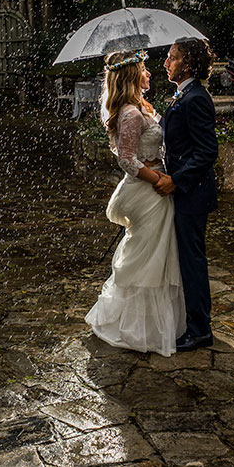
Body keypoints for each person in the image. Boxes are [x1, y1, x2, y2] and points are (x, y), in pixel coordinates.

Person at [85, 50, 185, 356]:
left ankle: (155, 325)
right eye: (143, 69)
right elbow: (127, 160)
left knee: (158, 255)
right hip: (147, 191)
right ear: (131, 76)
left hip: (155, 183)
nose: (149, 73)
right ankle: (137, 328)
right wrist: (158, 179)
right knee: (147, 259)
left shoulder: (140, 108)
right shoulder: (129, 113)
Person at [155, 38, 218, 352]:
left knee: (192, 261)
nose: (166, 63)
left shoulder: (196, 98)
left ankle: (200, 329)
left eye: (173, 58)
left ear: (189, 64)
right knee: (187, 259)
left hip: (193, 194)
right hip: (183, 191)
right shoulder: (182, 95)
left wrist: (176, 181)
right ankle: (191, 321)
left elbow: (207, 152)